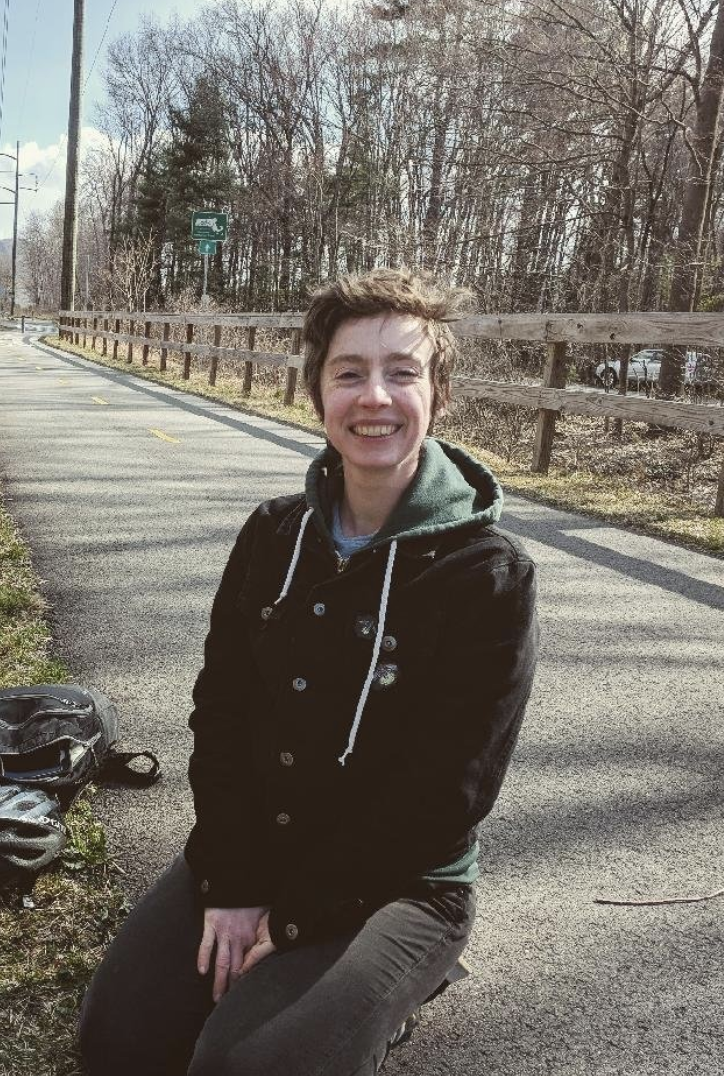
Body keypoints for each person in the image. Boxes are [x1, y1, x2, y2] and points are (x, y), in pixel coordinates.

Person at [79, 267, 538, 1076]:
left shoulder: (487, 574)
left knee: (249, 1065)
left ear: (438, 394)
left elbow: (448, 793)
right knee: (119, 1047)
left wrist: (291, 920)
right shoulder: (272, 534)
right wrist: (233, 881)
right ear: (317, 391)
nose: (375, 397)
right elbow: (221, 712)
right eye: (349, 372)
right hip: (260, 844)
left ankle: (399, 983)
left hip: (402, 881)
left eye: (402, 372)